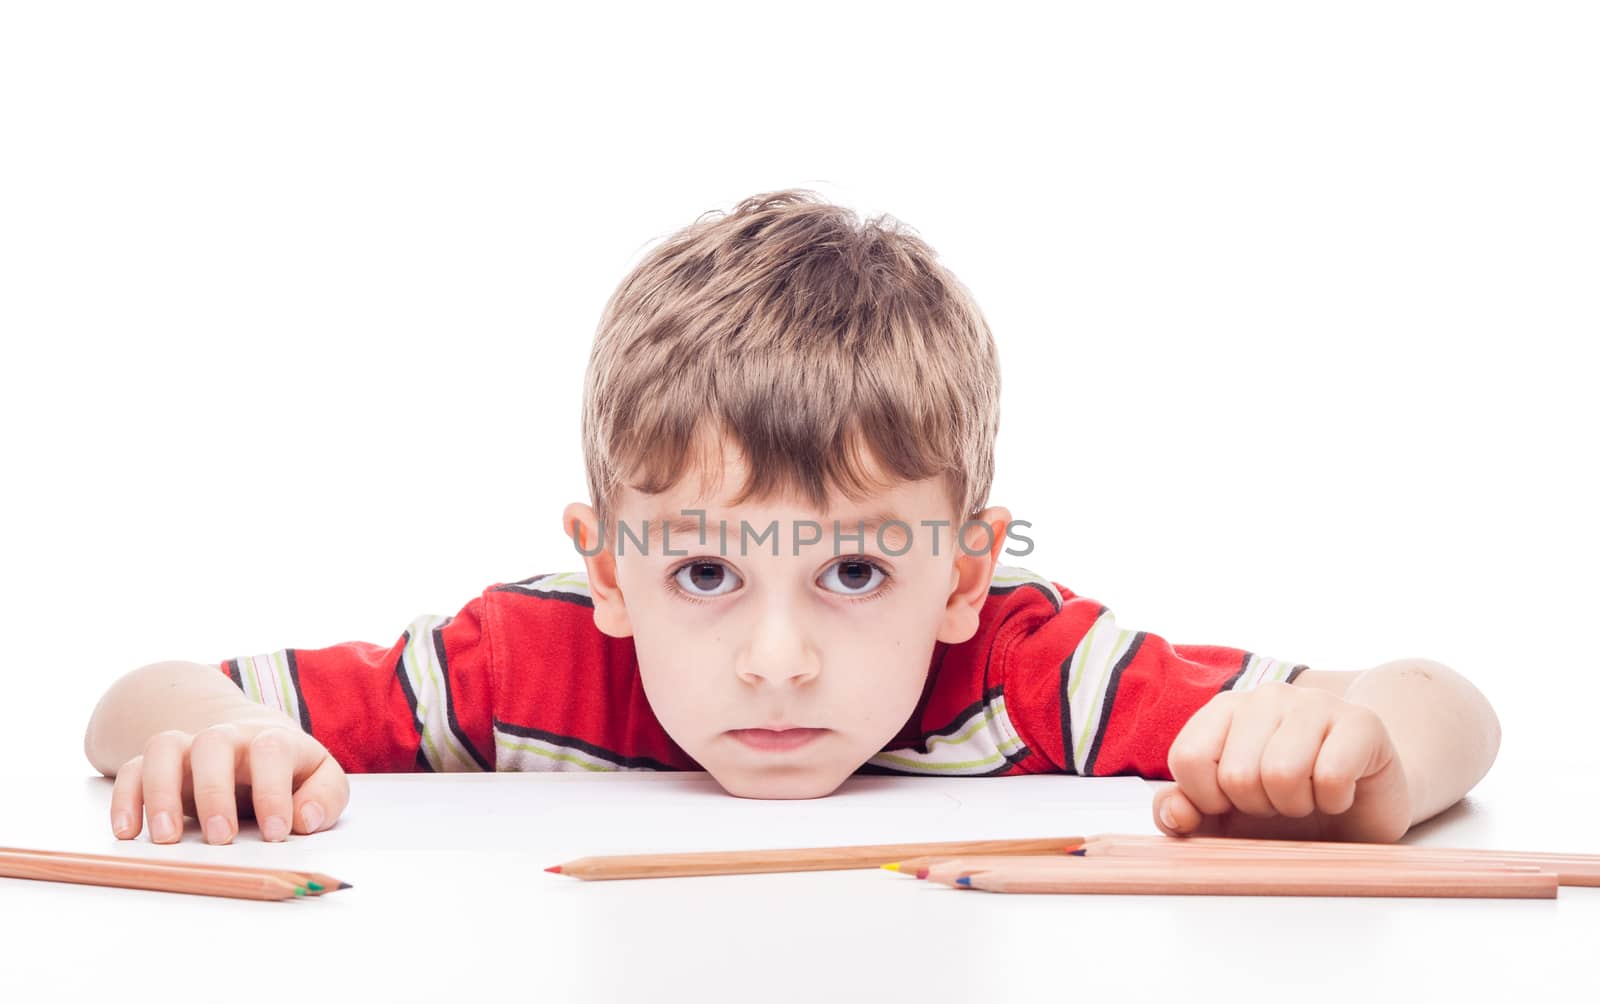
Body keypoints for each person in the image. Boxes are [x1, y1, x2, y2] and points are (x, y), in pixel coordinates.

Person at [82, 188, 1501, 849]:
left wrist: (1357, 754)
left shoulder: (1020, 669)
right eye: (704, 567)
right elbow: (138, 703)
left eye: (856, 573)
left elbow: (1452, 713)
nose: (776, 658)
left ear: (963, 570)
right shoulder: (525, 661)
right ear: (609, 571)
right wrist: (222, 740)